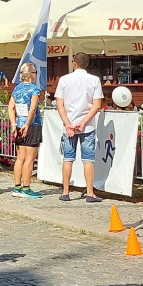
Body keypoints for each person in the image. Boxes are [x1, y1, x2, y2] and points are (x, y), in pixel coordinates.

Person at [55, 52, 104, 203]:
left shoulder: (63, 80)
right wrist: (83, 122)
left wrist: (67, 123)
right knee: (88, 160)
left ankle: (65, 192)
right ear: (87, 64)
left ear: (74, 63)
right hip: (87, 126)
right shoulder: (94, 80)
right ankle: (90, 193)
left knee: (68, 159)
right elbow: (97, 105)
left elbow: (59, 104)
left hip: (69, 126)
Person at [8, 62, 42, 198]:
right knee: (30, 159)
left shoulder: (16, 89)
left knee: (20, 158)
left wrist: (13, 124)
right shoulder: (34, 89)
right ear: (32, 74)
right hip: (32, 125)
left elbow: (10, 108)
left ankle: (17, 186)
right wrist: (27, 124)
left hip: (18, 125)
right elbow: (33, 109)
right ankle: (26, 188)